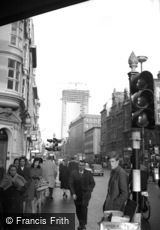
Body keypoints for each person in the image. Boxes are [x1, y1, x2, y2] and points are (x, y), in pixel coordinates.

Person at [69, 160, 95, 230]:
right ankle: (81, 222)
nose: (81, 166)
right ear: (78, 165)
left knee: (84, 208)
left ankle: (83, 224)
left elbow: (92, 183)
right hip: (77, 195)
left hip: (86, 195)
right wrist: (73, 193)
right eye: (80, 165)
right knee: (78, 209)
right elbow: (71, 184)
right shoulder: (73, 173)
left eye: (83, 165)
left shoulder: (88, 173)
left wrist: (89, 190)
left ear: (84, 166)